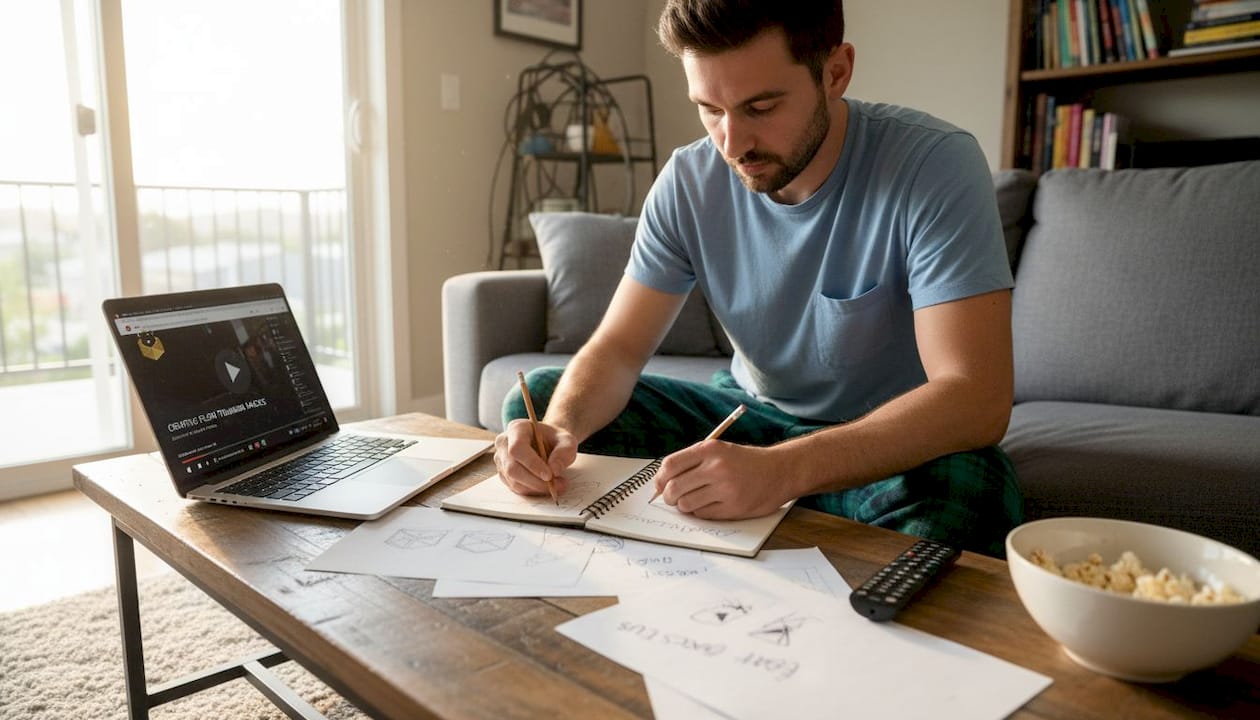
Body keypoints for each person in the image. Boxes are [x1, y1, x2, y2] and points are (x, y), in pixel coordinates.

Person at [492, 0, 1021, 557]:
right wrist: (559, 431)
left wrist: (782, 473)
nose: (731, 143)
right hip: (747, 421)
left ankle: (780, 514)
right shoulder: (688, 181)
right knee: (544, 403)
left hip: (882, 449)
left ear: (835, 72)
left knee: (973, 488)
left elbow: (975, 398)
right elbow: (620, 349)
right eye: (709, 109)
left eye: (761, 107)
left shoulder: (933, 166)